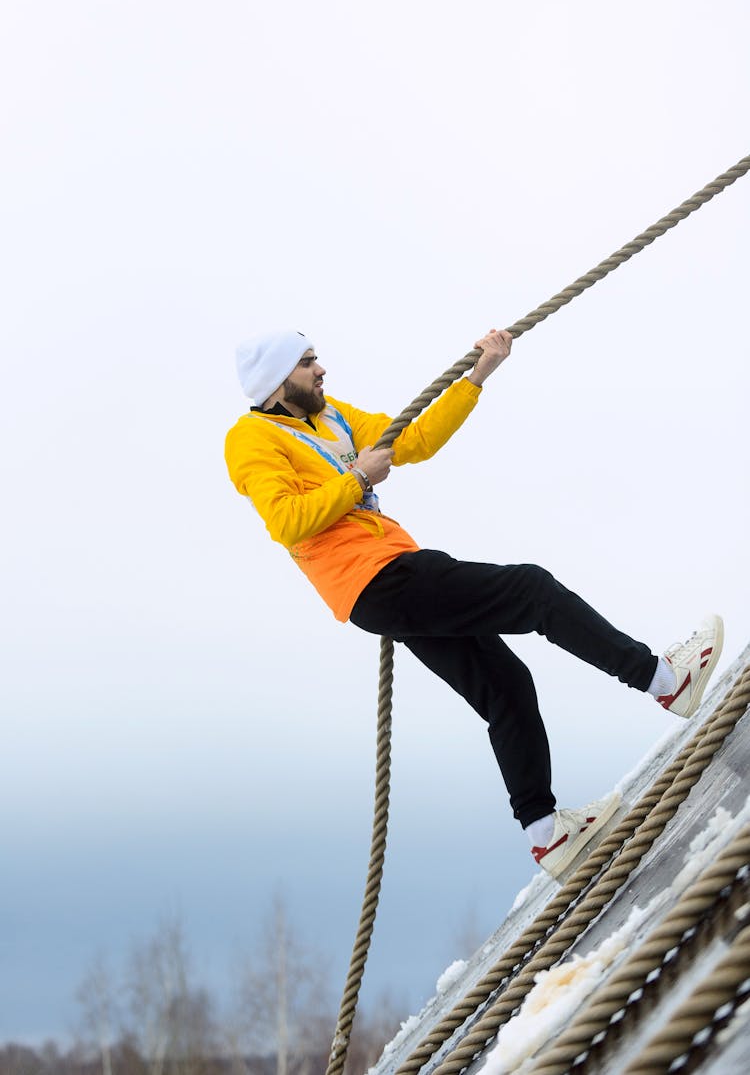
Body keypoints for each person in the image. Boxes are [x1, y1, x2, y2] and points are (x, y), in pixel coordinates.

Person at [224, 328, 724, 878]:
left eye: (316, 359)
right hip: (377, 576)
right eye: (305, 363)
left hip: (387, 581)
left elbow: (412, 440)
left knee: (505, 686)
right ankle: (662, 679)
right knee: (532, 591)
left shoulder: (332, 417)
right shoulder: (251, 438)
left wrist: (479, 374)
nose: (321, 370)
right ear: (275, 386)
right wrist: (356, 477)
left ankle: (546, 833)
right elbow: (286, 521)